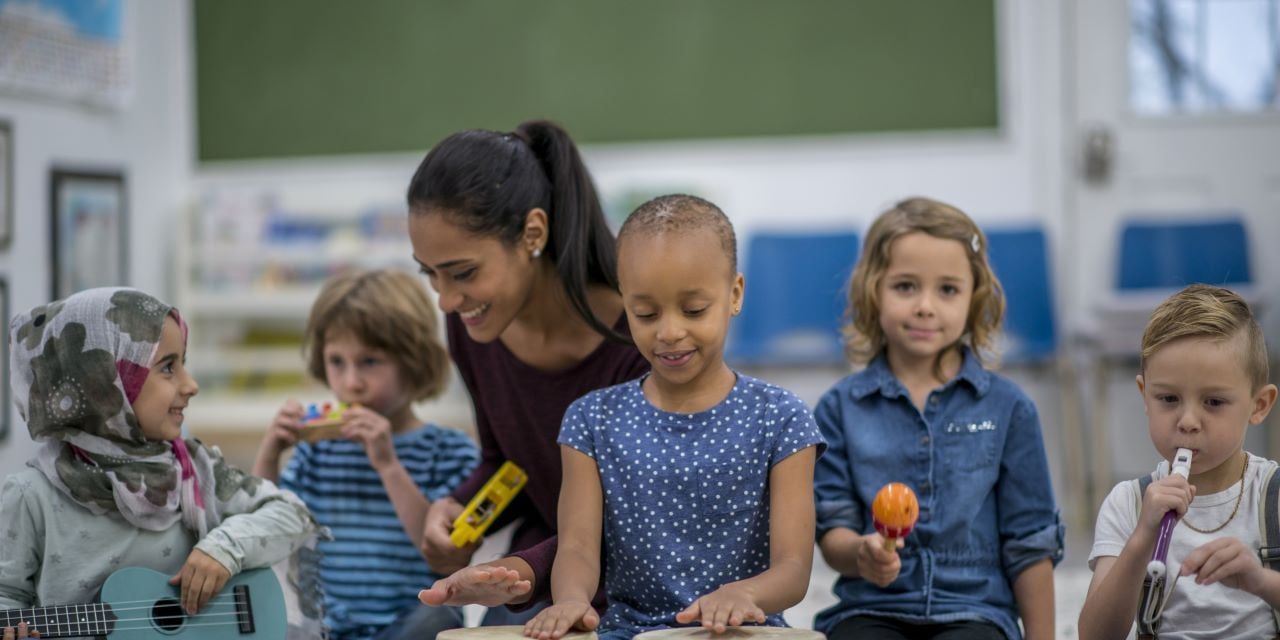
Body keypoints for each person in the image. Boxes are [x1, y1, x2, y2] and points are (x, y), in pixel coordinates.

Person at [522, 194, 824, 640]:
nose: (669, 332)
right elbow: (579, 547)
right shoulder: (591, 421)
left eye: (693, 310)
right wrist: (571, 600)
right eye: (645, 313)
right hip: (630, 633)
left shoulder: (780, 419)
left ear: (734, 294)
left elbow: (794, 569)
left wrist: (746, 594)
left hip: (744, 632)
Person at [409, 120, 649, 622]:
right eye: (429, 273)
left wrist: (521, 569)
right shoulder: (474, 327)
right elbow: (509, 464)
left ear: (532, 233)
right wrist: (460, 507)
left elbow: (638, 520)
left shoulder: (642, 341)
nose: (446, 300)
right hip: (538, 572)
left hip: (637, 583)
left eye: (463, 272)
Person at [1, 287, 321, 640]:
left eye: (184, 363)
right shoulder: (30, 497)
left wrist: (225, 547)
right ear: (106, 383)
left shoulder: (194, 469)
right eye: (168, 367)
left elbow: (291, 513)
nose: (191, 385)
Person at [811, 197, 1062, 640]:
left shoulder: (1010, 408)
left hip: (976, 611)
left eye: (947, 290)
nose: (926, 306)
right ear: (873, 290)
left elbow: (1030, 545)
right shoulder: (837, 409)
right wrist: (861, 554)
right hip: (872, 607)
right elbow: (834, 532)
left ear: (974, 297)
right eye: (905, 286)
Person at [253, 269, 480, 639]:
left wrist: (388, 465)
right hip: (326, 627)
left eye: (370, 361)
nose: (351, 382)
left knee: (439, 622)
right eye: (337, 361)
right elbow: (267, 534)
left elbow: (443, 553)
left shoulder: (449, 451)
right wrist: (270, 454)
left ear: (413, 360)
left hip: (406, 623)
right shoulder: (318, 452)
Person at [1079, 284, 1280, 639]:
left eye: (1213, 402)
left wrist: (1261, 581)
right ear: (1145, 396)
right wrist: (1142, 537)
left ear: (1259, 405)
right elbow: (1095, 635)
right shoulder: (1129, 503)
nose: (1187, 420)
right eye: (1169, 398)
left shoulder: (1273, 497)